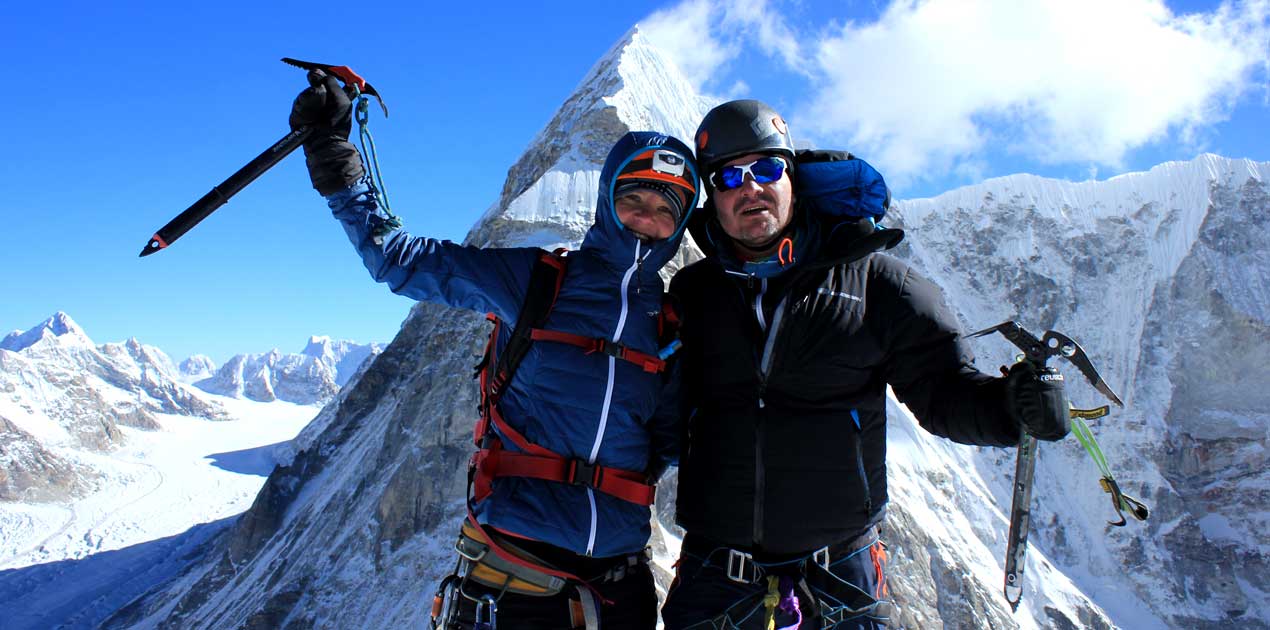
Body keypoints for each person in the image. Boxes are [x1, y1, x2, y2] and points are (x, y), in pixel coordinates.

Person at [289, 70, 699, 630]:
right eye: (635, 199)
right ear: (608, 200)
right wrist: (334, 155)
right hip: (514, 573)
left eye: (666, 208)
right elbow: (398, 260)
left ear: (681, 224)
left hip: (620, 582)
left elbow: (673, 441)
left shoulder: (671, 321)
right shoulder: (537, 281)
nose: (648, 220)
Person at [660, 100, 1071, 629]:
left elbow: (944, 395)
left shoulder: (879, 283)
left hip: (838, 579)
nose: (750, 188)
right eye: (729, 177)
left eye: (766, 168)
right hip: (713, 576)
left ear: (794, 177)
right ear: (711, 197)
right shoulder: (693, 293)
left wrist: (1012, 409)